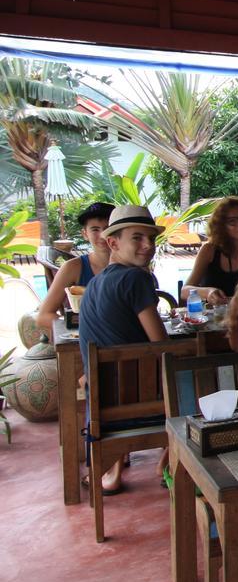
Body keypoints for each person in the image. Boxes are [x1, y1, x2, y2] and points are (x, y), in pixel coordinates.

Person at [77, 205, 169, 495]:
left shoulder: (95, 284)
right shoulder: (136, 278)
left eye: (151, 239)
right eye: (137, 238)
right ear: (113, 243)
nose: (148, 246)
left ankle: (117, 468)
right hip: (139, 407)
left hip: (103, 406)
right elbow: (162, 344)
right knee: (213, 376)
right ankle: (170, 464)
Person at [36, 201, 115, 336]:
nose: (102, 235)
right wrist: (81, 329)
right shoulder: (73, 268)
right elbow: (44, 316)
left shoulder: (133, 267)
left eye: (108, 228)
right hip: (90, 345)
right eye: (95, 229)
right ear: (84, 234)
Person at [181, 196, 238, 307]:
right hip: (215, 318)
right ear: (222, 227)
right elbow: (184, 291)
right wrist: (208, 292)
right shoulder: (209, 250)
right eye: (232, 221)